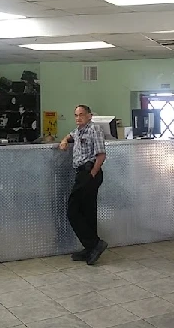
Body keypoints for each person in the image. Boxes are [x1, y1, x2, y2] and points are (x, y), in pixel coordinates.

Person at [59, 105, 108, 265]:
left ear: (89, 116)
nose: (78, 118)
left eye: (81, 115)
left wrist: (92, 173)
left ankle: (95, 244)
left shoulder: (95, 129)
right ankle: (90, 249)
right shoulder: (78, 131)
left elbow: (101, 155)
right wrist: (65, 140)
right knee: (87, 213)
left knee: (72, 211)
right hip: (81, 173)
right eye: (75, 115)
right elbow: (70, 135)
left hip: (89, 173)